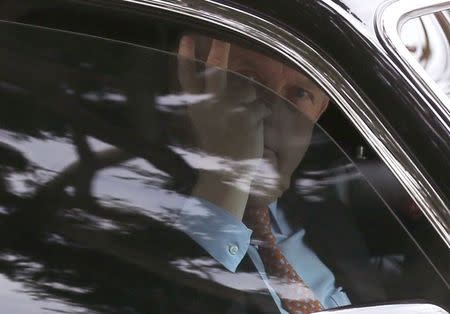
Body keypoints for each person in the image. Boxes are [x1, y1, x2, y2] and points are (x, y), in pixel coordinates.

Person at [174, 34, 351, 314]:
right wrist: (227, 177)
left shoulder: (330, 213)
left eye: (300, 94)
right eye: (247, 79)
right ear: (192, 86)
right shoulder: (130, 211)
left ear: (319, 110)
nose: (272, 113)